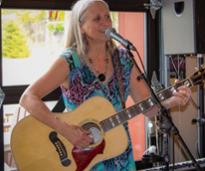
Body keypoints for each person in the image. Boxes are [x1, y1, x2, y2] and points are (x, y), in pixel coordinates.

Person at [19, 0, 191, 170]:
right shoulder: (70, 61)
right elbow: (28, 98)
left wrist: (170, 102)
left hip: (120, 157)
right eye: (97, 19)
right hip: (79, 159)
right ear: (80, 27)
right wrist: (64, 129)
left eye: (107, 17)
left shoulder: (123, 59)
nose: (105, 22)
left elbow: (147, 107)